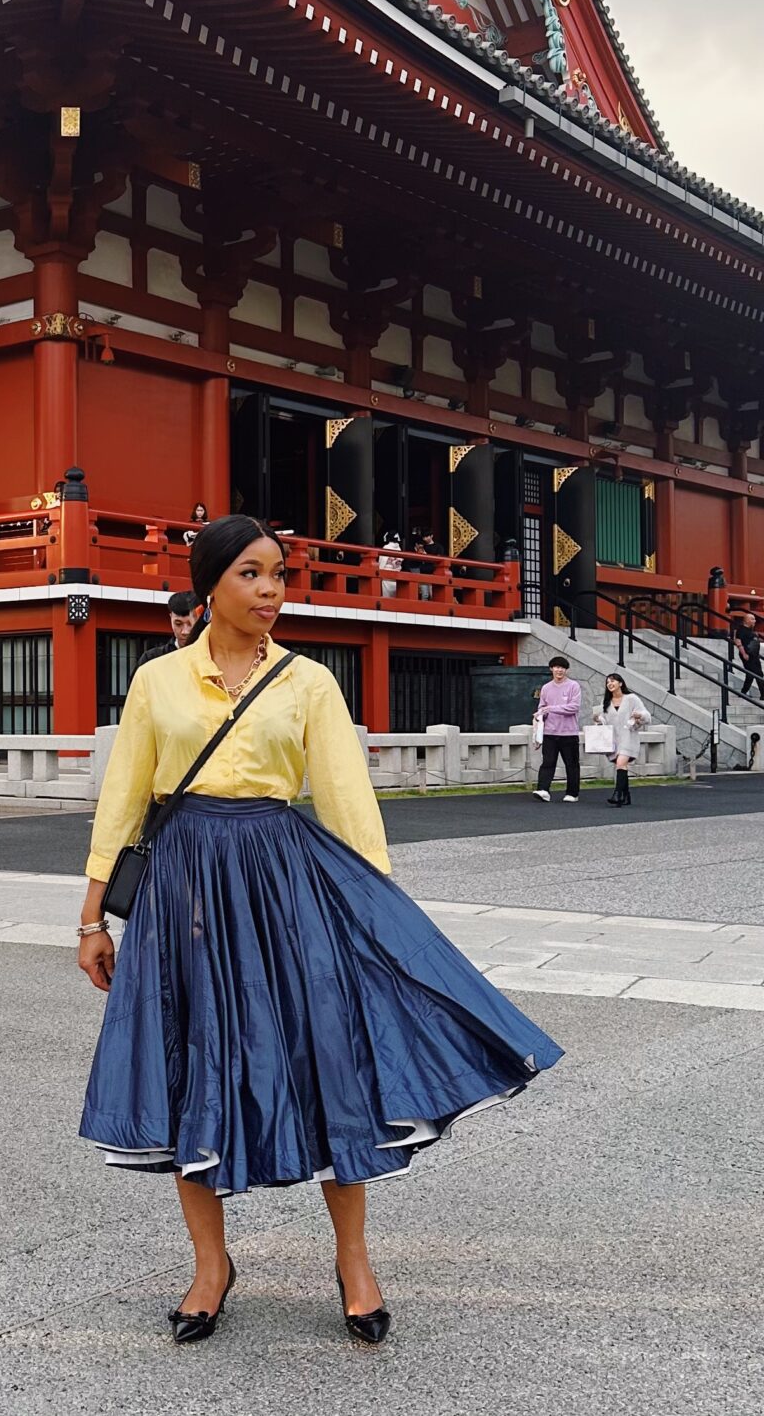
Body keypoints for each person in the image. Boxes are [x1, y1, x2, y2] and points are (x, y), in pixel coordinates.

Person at [76, 515, 560, 1348]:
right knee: (190, 1060)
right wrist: (90, 920)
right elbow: (123, 800)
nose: (270, 592)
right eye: (251, 575)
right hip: (185, 887)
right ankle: (210, 1266)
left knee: (327, 1060)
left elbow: (345, 800)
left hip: (282, 881)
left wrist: (378, 919)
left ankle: (355, 1261)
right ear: (211, 585)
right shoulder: (157, 680)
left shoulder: (310, 683)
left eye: (278, 575)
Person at [593, 672, 649, 808]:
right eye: (607, 682)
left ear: (621, 683)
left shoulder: (631, 698)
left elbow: (646, 715)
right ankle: (626, 795)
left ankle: (617, 794)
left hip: (629, 737)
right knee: (621, 765)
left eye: (613, 681)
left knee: (621, 762)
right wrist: (598, 720)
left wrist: (639, 715)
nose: (610, 684)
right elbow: (604, 721)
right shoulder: (606, 702)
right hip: (614, 739)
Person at [533, 655, 583, 801]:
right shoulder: (546, 688)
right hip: (549, 732)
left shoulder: (574, 686)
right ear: (551, 669)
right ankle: (543, 790)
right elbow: (542, 707)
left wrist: (551, 708)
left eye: (562, 668)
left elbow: (574, 707)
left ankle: (572, 794)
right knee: (547, 762)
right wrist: (540, 714)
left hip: (569, 732)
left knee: (571, 764)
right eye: (556, 667)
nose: (559, 670)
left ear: (566, 670)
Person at [135, 592, 201, 673]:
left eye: (190, 624)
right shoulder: (151, 659)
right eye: (178, 624)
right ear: (171, 617)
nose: (185, 632)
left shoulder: (211, 658)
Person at [735, 614, 763, 702]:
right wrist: (744, 654)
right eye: (752, 619)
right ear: (746, 620)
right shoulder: (741, 630)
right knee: (757, 674)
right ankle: (763, 694)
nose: (754, 621)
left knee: (752, 675)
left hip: (755, 655)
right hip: (747, 655)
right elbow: (738, 642)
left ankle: (743, 692)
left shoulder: (751, 630)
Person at [378, 532, 403, 600]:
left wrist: (379, 571)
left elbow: (382, 561)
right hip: (396, 571)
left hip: (387, 572)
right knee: (395, 593)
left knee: (387, 594)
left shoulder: (386, 547)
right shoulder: (399, 548)